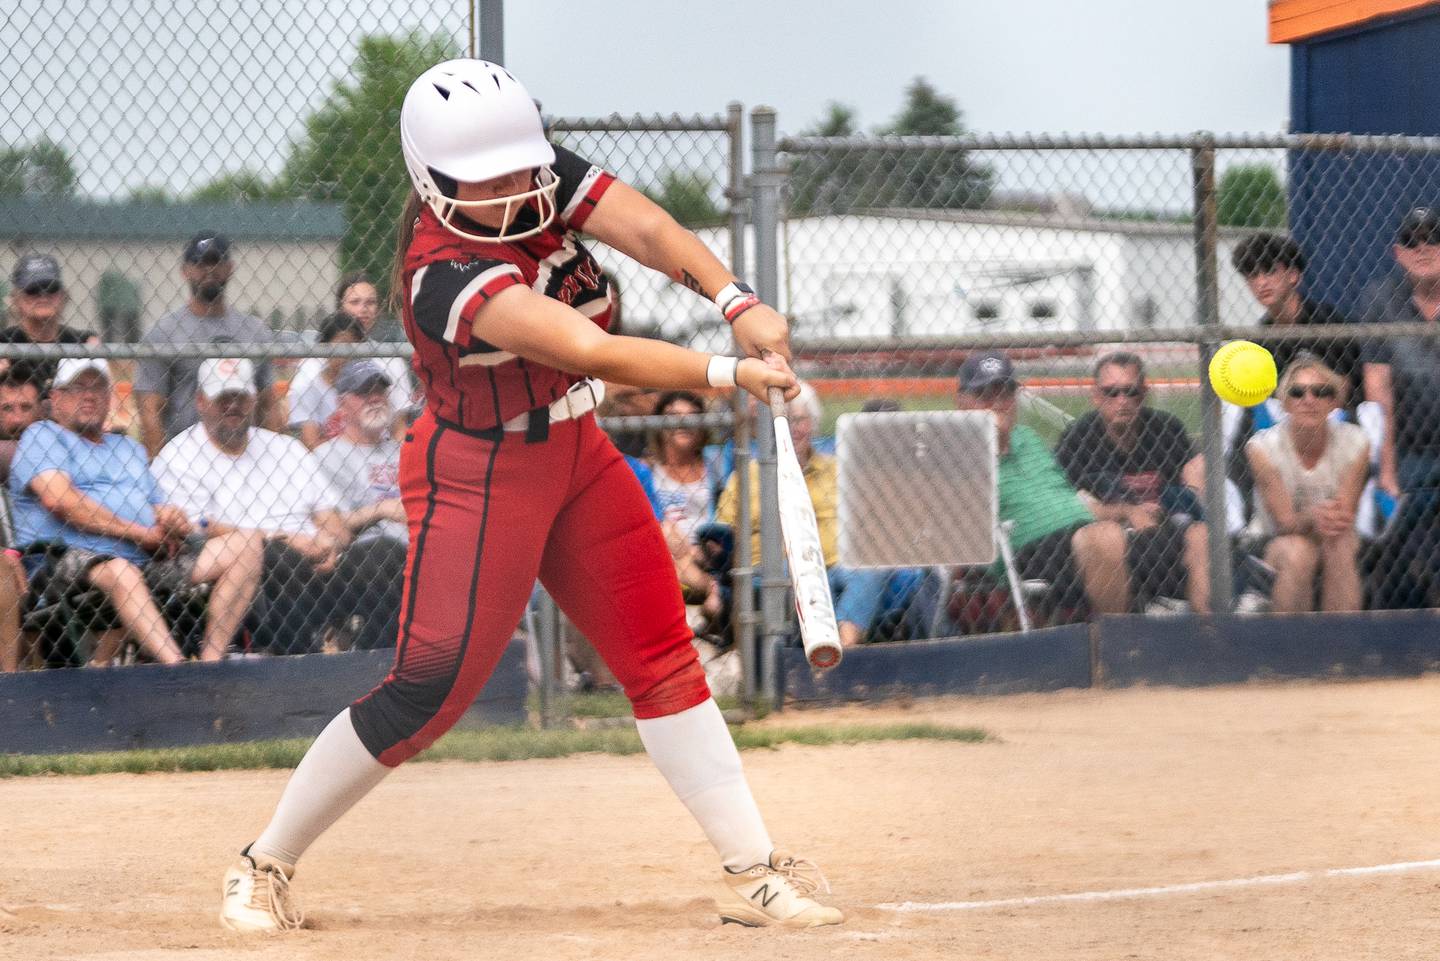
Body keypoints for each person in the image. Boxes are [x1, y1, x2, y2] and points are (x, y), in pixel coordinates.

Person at [218, 59, 838, 935]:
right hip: (477, 475)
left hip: (578, 455)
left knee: (663, 655)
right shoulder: (442, 275)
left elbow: (651, 232)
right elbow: (591, 350)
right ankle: (264, 863)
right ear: (434, 183)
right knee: (427, 688)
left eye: (522, 167)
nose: (516, 190)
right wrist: (728, 370)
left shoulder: (539, 175)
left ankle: (754, 869)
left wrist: (736, 299)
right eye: (489, 179)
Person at [9, 358, 263, 664]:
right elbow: (60, 501)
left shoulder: (128, 448)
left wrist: (171, 521)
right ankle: (178, 667)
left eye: (98, 388)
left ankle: (210, 662)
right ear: (57, 399)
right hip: (62, 560)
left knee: (246, 546)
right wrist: (140, 533)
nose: (89, 396)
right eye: (78, 387)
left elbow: (157, 508)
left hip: (143, 558)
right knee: (120, 571)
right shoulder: (43, 436)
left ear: (110, 398)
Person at [153, 358, 350, 656]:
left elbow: (331, 517)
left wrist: (332, 545)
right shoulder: (180, 455)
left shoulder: (286, 448)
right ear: (201, 402)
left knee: (382, 553)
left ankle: (384, 664)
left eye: (241, 397)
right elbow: (199, 528)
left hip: (319, 559)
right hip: (259, 564)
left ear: (254, 399)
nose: (233, 405)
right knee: (282, 557)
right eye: (223, 398)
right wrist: (287, 539)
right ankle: (299, 663)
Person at [716, 382, 897, 648]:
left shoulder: (839, 469)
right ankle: (835, 657)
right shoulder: (746, 477)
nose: (793, 429)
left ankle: (841, 649)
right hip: (776, 568)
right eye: (785, 421)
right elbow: (721, 530)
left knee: (871, 570)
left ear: (813, 424)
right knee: (803, 579)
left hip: (837, 565)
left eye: (800, 420)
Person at [956, 351, 1132, 618]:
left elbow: (1069, 501)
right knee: (1103, 538)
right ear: (962, 402)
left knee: (1195, 536)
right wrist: (993, 442)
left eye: (1005, 394)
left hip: (1085, 533)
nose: (997, 403)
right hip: (1027, 553)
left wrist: (1127, 512)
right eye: (985, 395)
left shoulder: (1028, 438)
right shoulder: (955, 451)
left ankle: (1209, 641)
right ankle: (1120, 649)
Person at [1054, 351, 1210, 613]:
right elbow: (1066, 503)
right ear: (1096, 395)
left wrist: (1174, 504)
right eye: (1111, 393)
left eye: (1131, 391)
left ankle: (1210, 633)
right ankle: (1123, 638)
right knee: (1106, 540)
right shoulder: (1079, 437)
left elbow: (1193, 482)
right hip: (1109, 540)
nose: (1122, 401)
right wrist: (1128, 511)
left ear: (1144, 393)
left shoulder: (1166, 429)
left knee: (1202, 536)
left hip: (1165, 532)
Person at [135, 232, 285, 456]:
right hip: (187, 455)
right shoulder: (163, 335)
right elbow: (150, 412)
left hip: (245, 454)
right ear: (185, 271)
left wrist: (274, 460)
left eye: (216, 261)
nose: (209, 270)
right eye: (199, 262)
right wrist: (162, 465)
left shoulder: (255, 332)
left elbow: (268, 405)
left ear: (230, 267)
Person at [1360, 206, 1440, 608]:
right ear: (1397, 252)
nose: (1423, 248)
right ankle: (1391, 618)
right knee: (1398, 523)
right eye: (1412, 240)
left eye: (1433, 238)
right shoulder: (1381, 299)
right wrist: (1387, 470)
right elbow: (1379, 392)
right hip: (1409, 450)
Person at [1244, 357, 1368, 612]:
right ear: (1285, 402)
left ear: (1334, 402)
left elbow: (1343, 516)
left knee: (1341, 543)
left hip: (1333, 534)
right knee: (1298, 552)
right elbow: (1284, 522)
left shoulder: (1356, 442)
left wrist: (1323, 519)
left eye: (1321, 392)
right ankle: (1293, 647)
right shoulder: (1262, 448)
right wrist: (1313, 516)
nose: (1309, 400)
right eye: (1298, 392)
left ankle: (1340, 644)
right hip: (1274, 539)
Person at [311, 361, 408, 651]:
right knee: (385, 553)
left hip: (417, 543)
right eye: (364, 392)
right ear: (342, 404)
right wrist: (380, 510)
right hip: (361, 556)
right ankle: (378, 656)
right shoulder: (326, 455)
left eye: (380, 391)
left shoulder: (405, 450)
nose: (375, 398)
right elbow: (332, 523)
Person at [1230, 233, 1358, 405]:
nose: (1261, 283)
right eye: (1253, 275)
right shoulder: (1258, 340)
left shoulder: (1327, 322)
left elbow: (1343, 388)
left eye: (1270, 271)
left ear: (1293, 276)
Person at [288, 274, 414, 430]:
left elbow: (399, 427)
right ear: (340, 307)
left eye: (371, 302)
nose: (363, 309)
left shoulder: (391, 361)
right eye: (355, 302)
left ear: (378, 310)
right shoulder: (312, 364)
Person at [0, 253, 100, 392]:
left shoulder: (83, 341)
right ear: (16, 299)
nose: (43, 296)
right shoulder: (4, 343)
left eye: (51, 288)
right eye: (33, 290)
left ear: (63, 295)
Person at [287, 313, 366, 450]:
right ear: (323, 347)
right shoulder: (309, 385)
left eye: (352, 347)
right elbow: (311, 443)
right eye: (339, 347)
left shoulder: (368, 385)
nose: (345, 356)